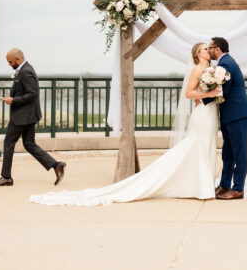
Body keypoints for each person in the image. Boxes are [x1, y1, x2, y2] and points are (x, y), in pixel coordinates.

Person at [29, 43, 222, 206]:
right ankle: (201, 187)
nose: (208, 51)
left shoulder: (210, 71)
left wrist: (214, 93)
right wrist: (209, 94)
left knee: (205, 147)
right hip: (202, 115)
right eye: (205, 49)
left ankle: (201, 184)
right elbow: (189, 94)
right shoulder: (197, 70)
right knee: (197, 146)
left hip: (210, 112)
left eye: (208, 49)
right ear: (198, 54)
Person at [0, 48, 66, 187]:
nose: (9, 64)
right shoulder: (25, 70)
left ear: (18, 59)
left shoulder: (26, 72)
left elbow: (33, 94)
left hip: (23, 115)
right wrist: (13, 99)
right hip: (28, 114)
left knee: (9, 143)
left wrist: (13, 100)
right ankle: (56, 165)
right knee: (29, 144)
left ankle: (6, 177)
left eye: (10, 62)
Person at [204, 37, 247, 200]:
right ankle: (225, 185)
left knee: (239, 153)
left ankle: (238, 189)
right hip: (230, 115)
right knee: (228, 153)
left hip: (237, 115)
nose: (208, 50)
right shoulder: (224, 63)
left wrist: (200, 98)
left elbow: (221, 90)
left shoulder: (226, 64)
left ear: (217, 49)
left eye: (210, 47)